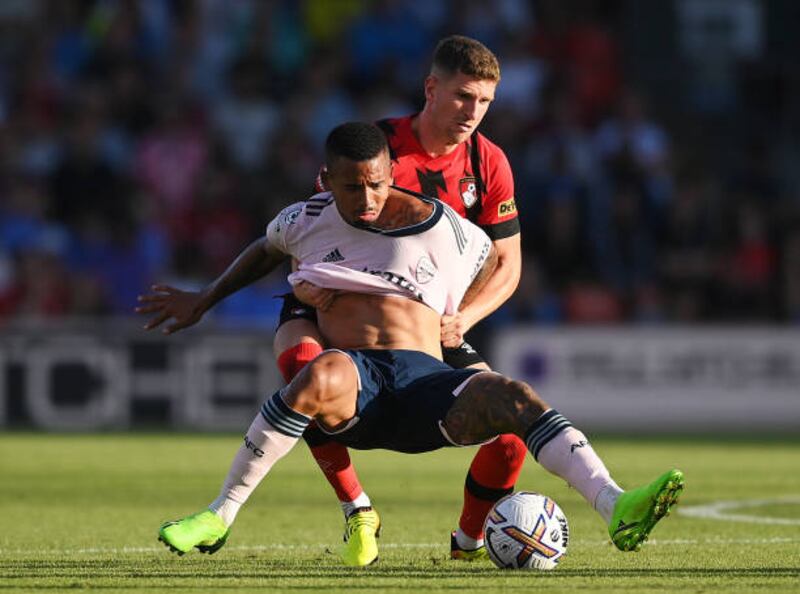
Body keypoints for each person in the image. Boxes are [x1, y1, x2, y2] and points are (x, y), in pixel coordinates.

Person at [137, 122, 683, 564]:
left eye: (375, 182)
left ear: (391, 173)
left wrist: (459, 316)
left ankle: (614, 505)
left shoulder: (449, 231)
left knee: (514, 398)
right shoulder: (305, 220)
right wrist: (204, 299)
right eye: (351, 187)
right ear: (326, 180)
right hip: (358, 382)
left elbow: (495, 263)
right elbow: (264, 249)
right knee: (317, 372)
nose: (367, 197)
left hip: (426, 382)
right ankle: (220, 514)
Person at [275, 35, 527, 566]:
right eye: (462, 96)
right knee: (302, 367)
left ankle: (467, 544)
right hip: (337, 296)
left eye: (484, 102)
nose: (472, 112)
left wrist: (465, 317)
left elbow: (508, 264)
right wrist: (304, 282)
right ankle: (356, 509)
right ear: (431, 88)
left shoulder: (488, 163)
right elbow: (309, 230)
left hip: (428, 319)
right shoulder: (375, 146)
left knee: (511, 437)